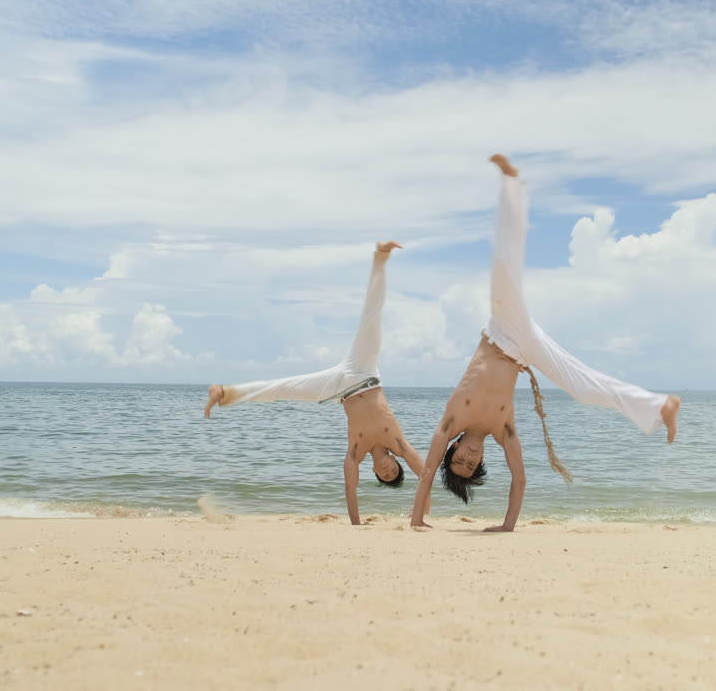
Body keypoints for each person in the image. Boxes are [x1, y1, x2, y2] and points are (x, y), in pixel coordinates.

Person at [409, 155, 680, 532]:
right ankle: (660, 406)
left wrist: (416, 520)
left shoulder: (451, 421)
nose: (469, 458)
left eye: (461, 460)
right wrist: (507, 526)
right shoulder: (505, 431)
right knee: (582, 389)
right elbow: (520, 480)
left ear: (451, 450)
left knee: (504, 273)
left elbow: (425, 474)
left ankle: (511, 186)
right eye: (471, 465)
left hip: (503, 330)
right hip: (525, 349)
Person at [204, 241, 426, 525]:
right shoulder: (398, 443)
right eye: (393, 470)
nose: (387, 470)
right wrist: (421, 514)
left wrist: (356, 525)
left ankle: (224, 393)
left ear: (374, 472)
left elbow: (350, 489)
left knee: (283, 389)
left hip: (339, 389)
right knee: (372, 318)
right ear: (396, 462)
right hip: (364, 372)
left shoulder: (356, 454)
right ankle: (381, 256)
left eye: (384, 476)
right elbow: (425, 473)